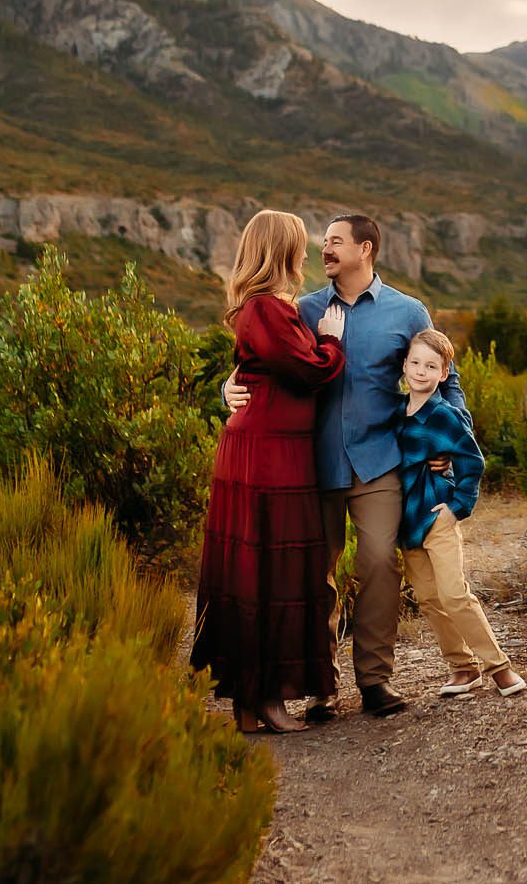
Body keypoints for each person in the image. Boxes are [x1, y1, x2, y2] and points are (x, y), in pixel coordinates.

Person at [224, 213, 466, 719]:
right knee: (313, 575)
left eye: (335, 242)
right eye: (324, 243)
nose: (325, 251)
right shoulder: (303, 309)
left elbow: (447, 379)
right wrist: (227, 387)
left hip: (379, 461)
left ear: (366, 249)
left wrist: (453, 440)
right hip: (309, 465)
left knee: (378, 564)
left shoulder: (407, 311)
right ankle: (322, 687)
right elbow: (259, 360)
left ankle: (376, 681)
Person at [192, 209, 348, 734]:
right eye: (299, 245)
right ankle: (266, 699)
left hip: (275, 447)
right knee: (267, 569)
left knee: (262, 567)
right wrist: (332, 342)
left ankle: (252, 702)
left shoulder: (270, 308)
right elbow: (309, 371)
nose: (305, 254)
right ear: (279, 250)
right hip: (266, 454)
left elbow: (258, 369)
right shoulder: (264, 309)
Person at [396, 328, 526, 698]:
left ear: (443, 374)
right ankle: (462, 667)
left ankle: (499, 667)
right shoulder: (396, 413)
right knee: (428, 599)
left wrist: (457, 507)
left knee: (454, 594)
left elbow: (473, 462)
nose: (421, 371)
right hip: (406, 523)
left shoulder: (444, 415)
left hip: (436, 516)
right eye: (416, 363)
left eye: (431, 366)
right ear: (404, 365)